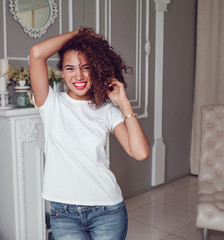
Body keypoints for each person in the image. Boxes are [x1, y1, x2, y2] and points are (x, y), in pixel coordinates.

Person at [30, 27, 150, 240]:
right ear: (62, 72)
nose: (79, 75)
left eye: (86, 67)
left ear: (96, 69)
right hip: (64, 214)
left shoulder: (107, 111)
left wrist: (123, 102)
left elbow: (140, 153)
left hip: (106, 212)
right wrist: (80, 34)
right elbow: (37, 53)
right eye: (70, 68)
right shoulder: (50, 103)